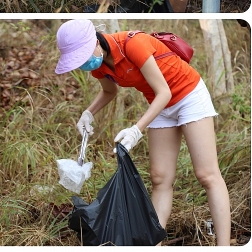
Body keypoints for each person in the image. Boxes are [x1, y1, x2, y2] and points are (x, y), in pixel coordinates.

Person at [54, 19, 231, 246]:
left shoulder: (132, 44)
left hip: (188, 95)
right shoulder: (98, 64)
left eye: (83, 56)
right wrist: (88, 113)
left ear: (95, 42)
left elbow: (164, 92)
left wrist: (137, 130)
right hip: (159, 104)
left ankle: (224, 246)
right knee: (160, 178)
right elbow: (110, 91)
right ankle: (153, 244)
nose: (83, 64)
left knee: (206, 174)